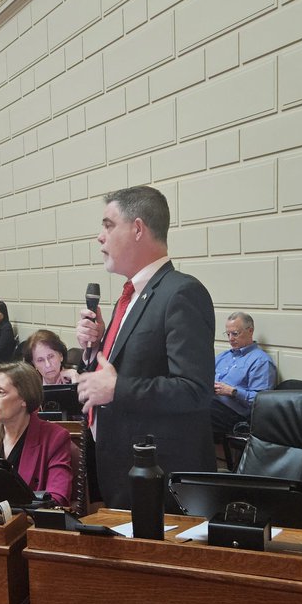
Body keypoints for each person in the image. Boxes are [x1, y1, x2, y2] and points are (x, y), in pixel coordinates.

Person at [76, 186, 216, 510]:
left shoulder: (182, 293)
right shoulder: (131, 297)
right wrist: (94, 348)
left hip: (161, 487)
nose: (100, 237)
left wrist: (118, 388)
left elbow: (195, 389)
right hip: (123, 474)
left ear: (137, 229)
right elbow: (123, 370)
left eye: (108, 225)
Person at [0, 362, 74, 505]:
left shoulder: (54, 438)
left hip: (29, 524)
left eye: (1, 392)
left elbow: (58, 498)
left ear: (24, 399)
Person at [211, 312, 276, 439]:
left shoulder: (260, 361)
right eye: (228, 334)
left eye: (235, 334)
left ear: (250, 331)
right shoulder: (223, 356)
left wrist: (233, 391)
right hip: (211, 404)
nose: (230, 339)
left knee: (194, 413)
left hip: (234, 414)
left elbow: (261, 402)